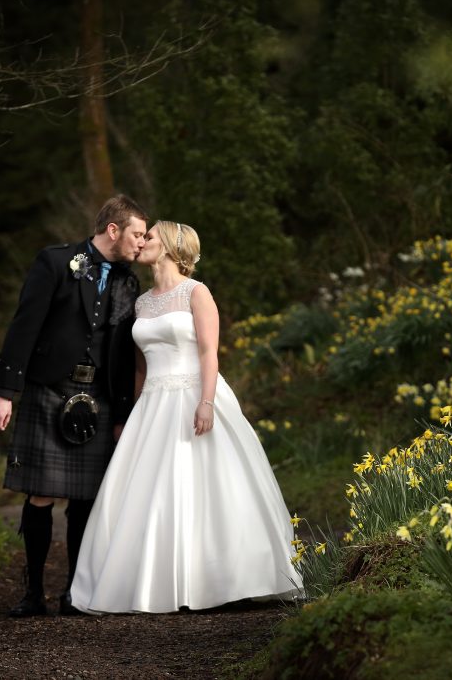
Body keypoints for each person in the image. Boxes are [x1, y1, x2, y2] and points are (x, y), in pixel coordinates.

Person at [70, 221, 302, 613]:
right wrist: (132, 413)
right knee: (149, 492)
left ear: (172, 246)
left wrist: (207, 402)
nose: (142, 241)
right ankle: (154, 582)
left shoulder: (197, 292)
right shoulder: (141, 303)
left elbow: (209, 353)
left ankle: (221, 578)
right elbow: (141, 368)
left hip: (195, 393)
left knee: (210, 486)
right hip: (153, 405)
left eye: (151, 237)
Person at [0, 194, 148, 617]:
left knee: (86, 499)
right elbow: (25, 324)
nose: (142, 242)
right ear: (112, 230)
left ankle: (75, 593)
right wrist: (5, 391)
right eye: (136, 234)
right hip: (49, 390)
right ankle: (33, 592)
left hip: (100, 398)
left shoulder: (128, 282)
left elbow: (126, 353)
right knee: (41, 493)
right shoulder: (56, 262)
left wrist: (124, 412)